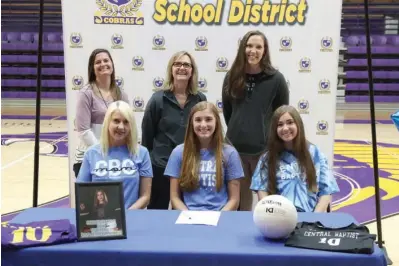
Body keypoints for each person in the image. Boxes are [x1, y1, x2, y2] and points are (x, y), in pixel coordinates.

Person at [222, 30, 290, 211]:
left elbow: (281, 115)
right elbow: (228, 112)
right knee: (240, 204)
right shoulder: (231, 76)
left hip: (265, 151)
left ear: (265, 50)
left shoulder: (276, 79)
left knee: (267, 203)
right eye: (249, 45)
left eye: (258, 47)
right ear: (243, 48)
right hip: (235, 151)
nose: (253, 50)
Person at [141, 51, 207, 210]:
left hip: (189, 167)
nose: (182, 68)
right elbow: (147, 137)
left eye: (186, 65)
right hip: (161, 167)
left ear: (192, 70)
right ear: (171, 69)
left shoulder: (200, 99)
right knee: (157, 215)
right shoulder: (157, 99)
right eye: (178, 64)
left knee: (187, 213)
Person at [250, 105, 340, 212]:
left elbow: (326, 192)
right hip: (278, 219)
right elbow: (262, 192)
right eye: (280, 125)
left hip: (310, 219)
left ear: (298, 124)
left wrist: (314, 218)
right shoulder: (267, 158)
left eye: (290, 122)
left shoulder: (315, 154)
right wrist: (271, 213)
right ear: (275, 129)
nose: (285, 128)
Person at [164, 102, 244, 211]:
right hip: (188, 217)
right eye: (198, 120)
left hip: (220, 217)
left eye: (208, 119)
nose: (203, 125)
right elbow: (174, 198)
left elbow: (234, 200)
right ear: (191, 123)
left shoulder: (230, 153)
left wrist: (218, 217)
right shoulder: (178, 153)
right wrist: (189, 217)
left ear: (216, 122)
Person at [77, 101, 153, 210]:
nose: (121, 127)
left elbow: (145, 196)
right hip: (100, 219)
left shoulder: (142, 153)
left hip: (131, 218)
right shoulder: (91, 153)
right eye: (116, 121)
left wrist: (125, 214)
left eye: (126, 122)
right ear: (107, 122)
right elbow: (81, 192)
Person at [74, 48, 129, 177]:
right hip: (89, 156)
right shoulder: (86, 94)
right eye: (98, 62)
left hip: (115, 158)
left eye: (106, 60)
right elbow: (83, 130)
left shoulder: (121, 94)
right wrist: (102, 153)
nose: (103, 64)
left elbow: (127, 125)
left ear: (112, 64)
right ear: (92, 68)